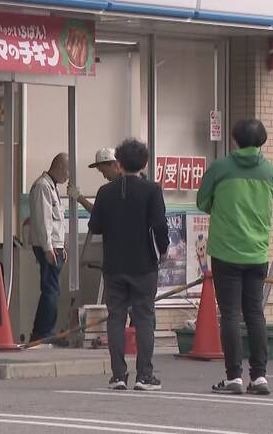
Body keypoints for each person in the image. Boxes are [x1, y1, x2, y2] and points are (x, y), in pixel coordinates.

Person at [196, 118, 273, 396]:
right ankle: (260, 377)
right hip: (257, 252)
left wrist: (223, 209)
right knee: (255, 313)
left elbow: (202, 201)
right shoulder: (269, 171)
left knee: (230, 313)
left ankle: (233, 377)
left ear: (234, 139)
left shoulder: (220, 168)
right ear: (262, 140)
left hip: (225, 251)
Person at [88, 139, 168, 391]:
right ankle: (144, 376)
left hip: (114, 264)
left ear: (119, 163)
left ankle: (118, 376)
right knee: (144, 318)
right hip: (144, 264)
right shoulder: (152, 190)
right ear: (144, 164)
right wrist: (163, 250)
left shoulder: (105, 192)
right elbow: (160, 225)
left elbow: (95, 227)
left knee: (116, 318)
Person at [28, 153, 70, 342]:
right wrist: (48, 248)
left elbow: (56, 223)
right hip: (48, 246)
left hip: (54, 245)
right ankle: (44, 333)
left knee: (52, 289)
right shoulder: (42, 186)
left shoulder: (52, 187)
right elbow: (42, 219)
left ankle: (42, 331)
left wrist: (62, 245)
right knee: (51, 290)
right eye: (67, 171)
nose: (68, 176)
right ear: (59, 167)